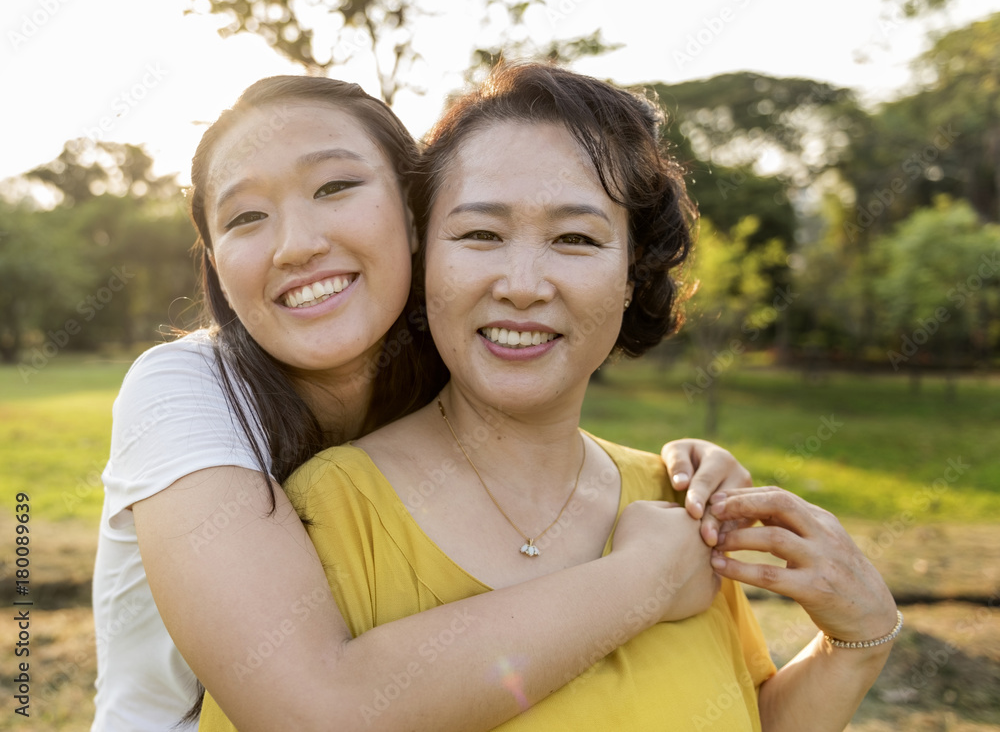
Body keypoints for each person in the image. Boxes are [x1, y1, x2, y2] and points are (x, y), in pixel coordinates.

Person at [201, 63, 900, 731]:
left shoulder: (679, 504)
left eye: (575, 238)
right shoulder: (331, 512)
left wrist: (859, 640)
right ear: (422, 258)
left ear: (632, 274)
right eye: (480, 234)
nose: (525, 284)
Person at [91, 75, 755, 731]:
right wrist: (649, 576)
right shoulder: (184, 391)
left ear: (414, 216)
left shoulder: (450, 347)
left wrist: (680, 470)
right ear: (215, 264)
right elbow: (313, 712)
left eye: (335, 187)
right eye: (244, 218)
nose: (296, 244)